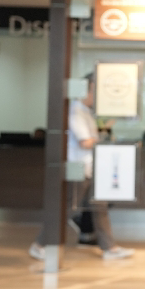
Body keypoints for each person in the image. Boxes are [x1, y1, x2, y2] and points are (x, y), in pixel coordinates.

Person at [29, 73, 135, 261]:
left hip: (91, 169)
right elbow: (85, 142)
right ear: (90, 88)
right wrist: (102, 140)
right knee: (67, 209)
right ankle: (39, 245)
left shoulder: (86, 112)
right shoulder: (75, 111)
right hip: (79, 170)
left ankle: (110, 248)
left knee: (100, 208)